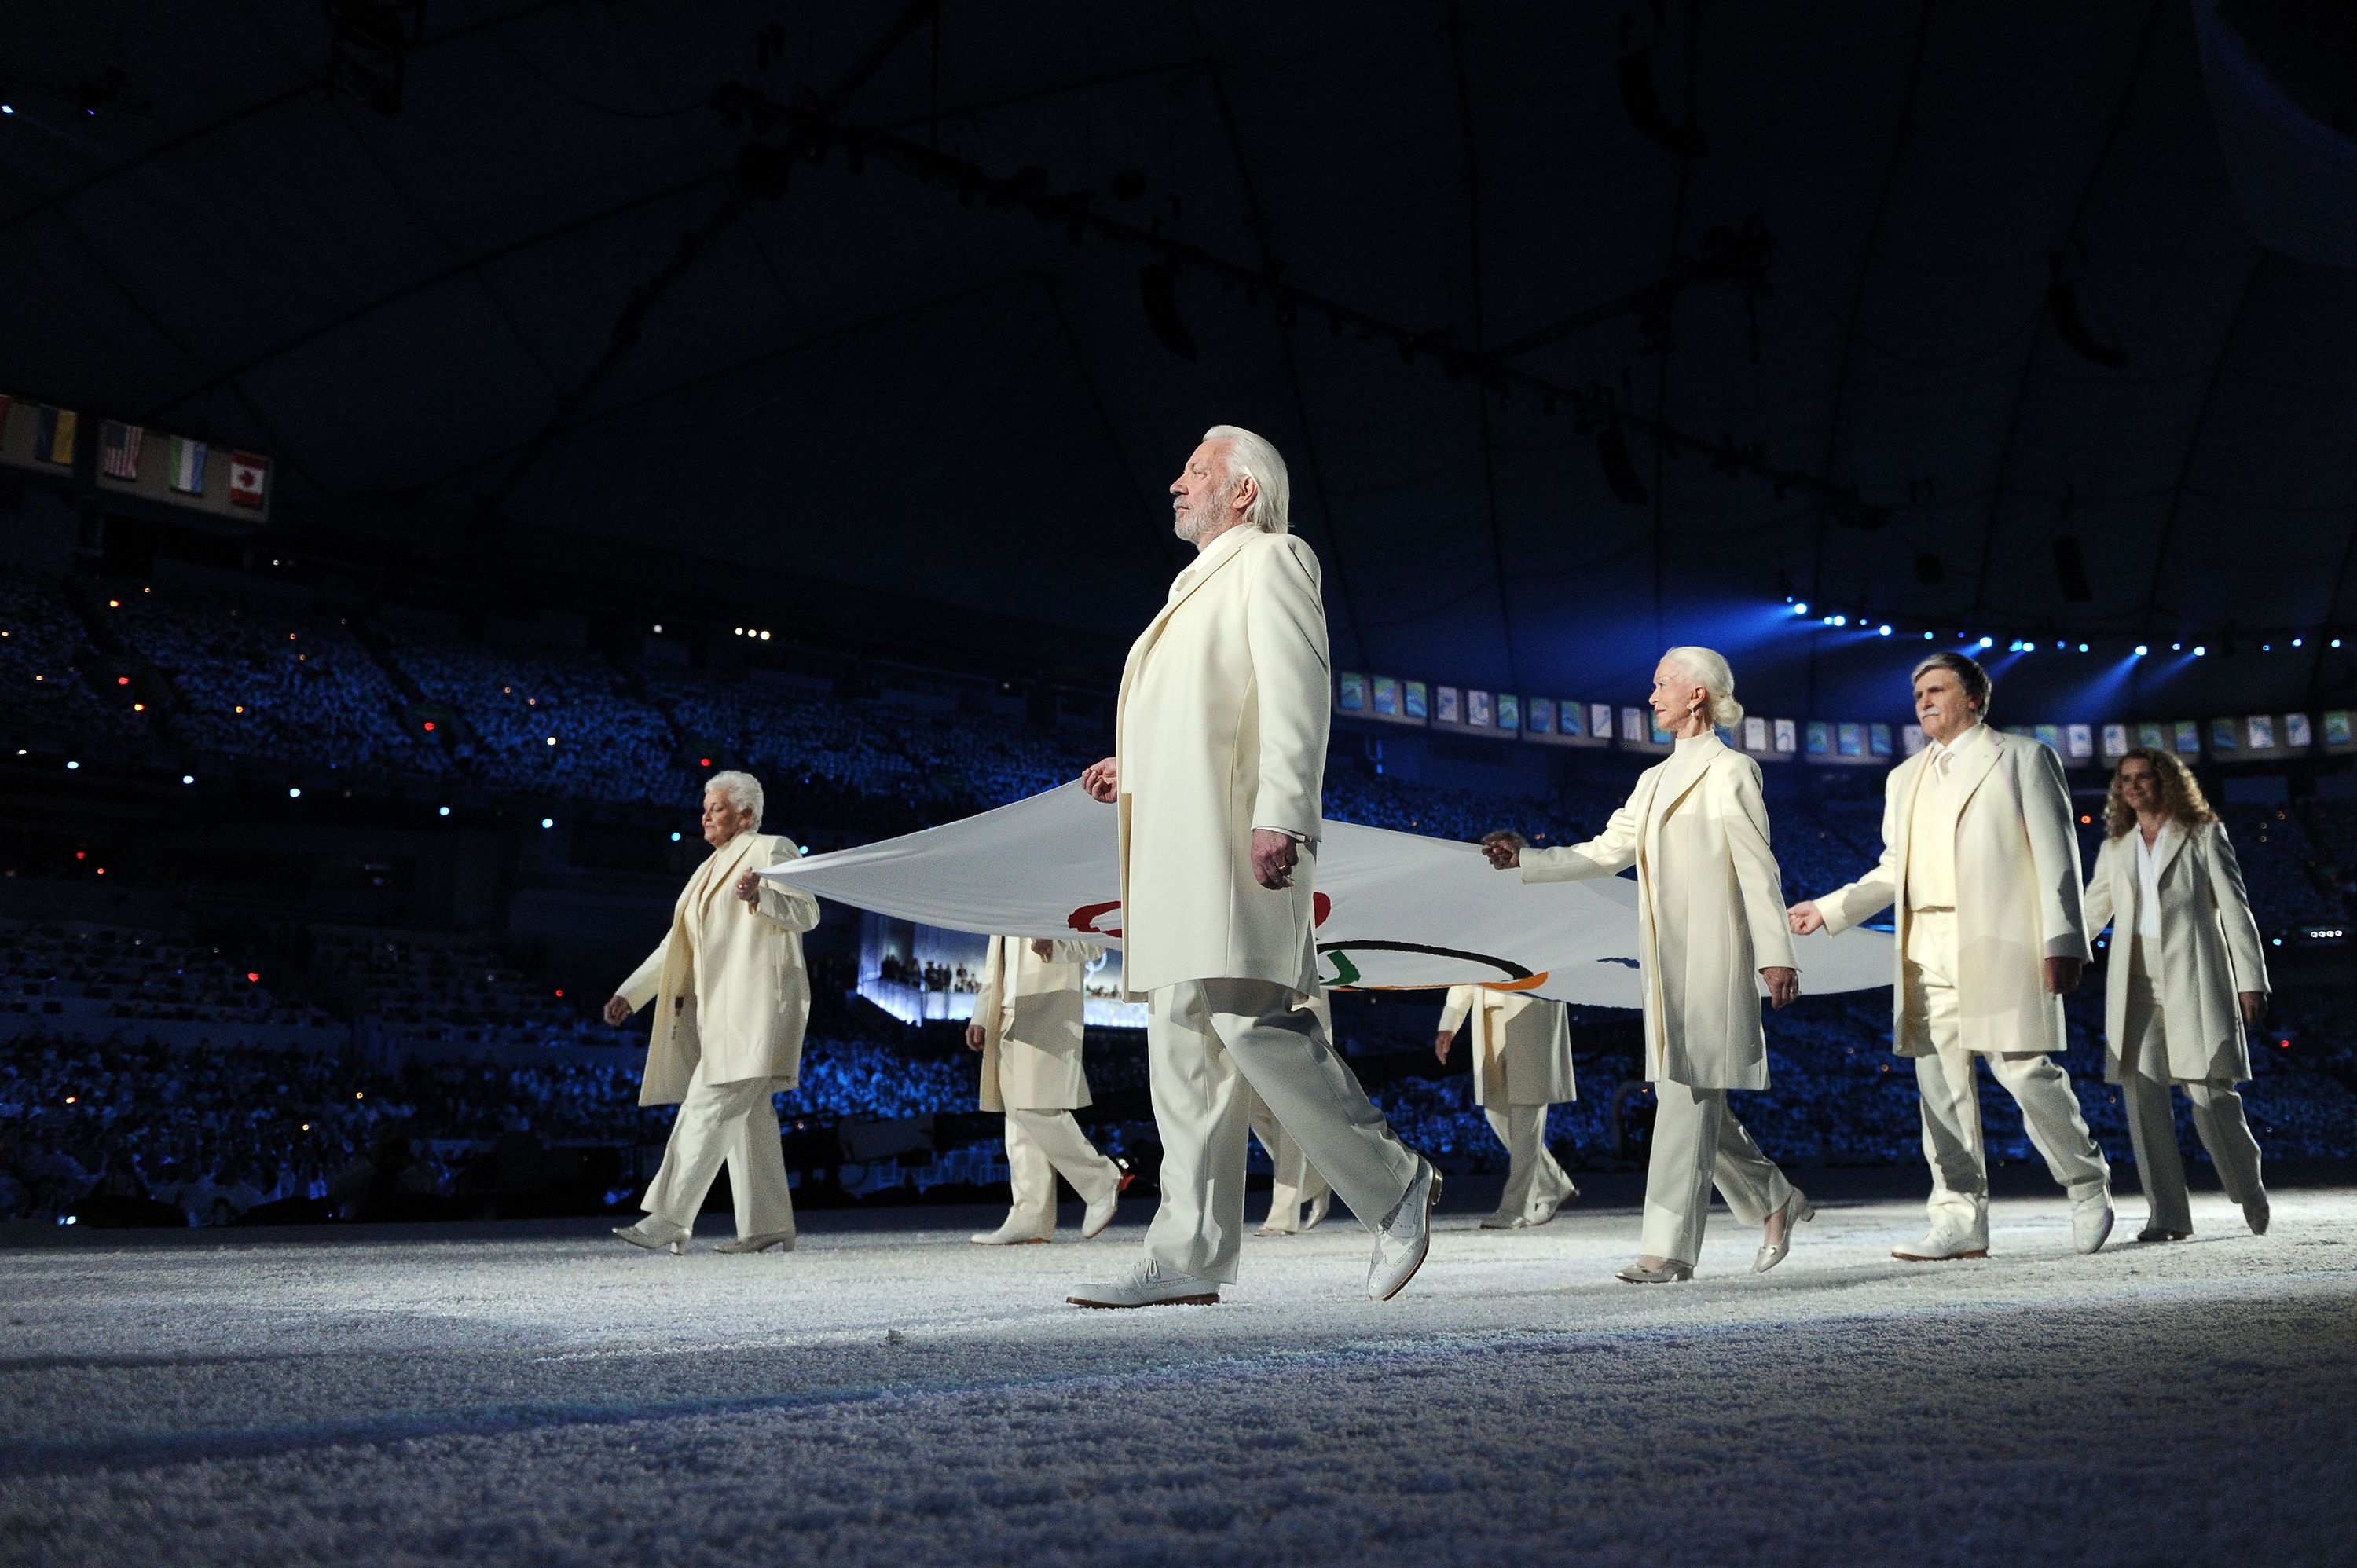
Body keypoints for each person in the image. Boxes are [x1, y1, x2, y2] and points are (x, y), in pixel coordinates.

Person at [1068, 424, 1439, 1308]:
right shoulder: (1194, 585)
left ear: (1241, 493)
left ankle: (1395, 1185)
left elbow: (1298, 691)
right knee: (1184, 1053)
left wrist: (1283, 813)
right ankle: (1187, 1254)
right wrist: (1139, 766)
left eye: (1194, 471)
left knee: (1249, 1024)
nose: (1173, 483)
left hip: (1234, 841)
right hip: (1176, 848)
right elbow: (1206, 717)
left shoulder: (1274, 559)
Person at [1488, 647, 1807, 1281]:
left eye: (1664, 684)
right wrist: (1526, 860)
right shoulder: (1654, 779)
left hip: (1715, 955)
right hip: (1662, 963)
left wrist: (1776, 953)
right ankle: (1775, 1200)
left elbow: (1757, 867)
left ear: (1697, 695)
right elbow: (1607, 852)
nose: (1652, 695)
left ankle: (1666, 1252)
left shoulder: (1732, 771)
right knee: (1686, 1092)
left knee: (1685, 1095)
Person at [1789, 652, 2114, 1261]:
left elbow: (2057, 855)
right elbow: (1894, 870)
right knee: (1938, 1084)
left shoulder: (2021, 757)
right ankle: (1959, 1217)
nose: (1924, 701)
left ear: (1974, 698)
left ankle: (2086, 1183)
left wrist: (2065, 941)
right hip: (1924, 943)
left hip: (2002, 937)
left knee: (2022, 1070)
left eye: (1937, 689)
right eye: (1918, 694)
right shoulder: (1904, 778)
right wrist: (1831, 909)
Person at [604, 771, 819, 1256]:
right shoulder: (705, 870)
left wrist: (760, 898)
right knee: (749, 1121)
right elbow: (675, 948)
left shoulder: (771, 849)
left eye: (717, 807)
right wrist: (631, 993)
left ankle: (669, 1217)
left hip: (758, 1009)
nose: (705, 814)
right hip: (719, 1015)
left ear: (746, 814)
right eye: (705, 806)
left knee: (708, 1106)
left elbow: (808, 915)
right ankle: (768, 1224)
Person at [2083, 749, 2271, 1241]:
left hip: (2194, 974)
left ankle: (2247, 1185)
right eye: (2126, 779)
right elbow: (2089, 914)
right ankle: (2167, 1216)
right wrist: (2050, 955)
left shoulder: (2204, 834)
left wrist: (2251, 980)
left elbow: (2236, 909)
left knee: (2211, 1096)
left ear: (2167, 782)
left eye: (2144, 777)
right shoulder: (2115, 848)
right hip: (2136, 983)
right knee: (2142, 1100)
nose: (2134, 786)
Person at [964, 934, 1129, 1244]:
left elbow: (1096, 942)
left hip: (1050, 1010)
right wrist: (982, 1014)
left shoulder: (1058, 887)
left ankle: (1100, 1179)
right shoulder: (1005, 895)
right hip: (1006, 1012)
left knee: (1035, 1108)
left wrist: (1058, 947)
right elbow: (995, 961)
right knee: (1017, 1117)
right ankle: (1030, 1216)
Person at [1435, 943, 1580, 1229]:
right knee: (1496, 1112)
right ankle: (1555, 1185)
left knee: (1527, 1115)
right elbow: (1468, 963)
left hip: (1532, 1010)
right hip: (1490, 1016)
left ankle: (1518, 1207)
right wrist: (1450, 1022)